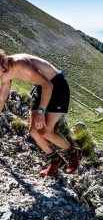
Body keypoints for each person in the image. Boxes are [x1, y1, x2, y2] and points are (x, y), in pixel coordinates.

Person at [0, 49, 81, 177]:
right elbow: (2, 98)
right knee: (33, 131)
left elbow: (48, 85)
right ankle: (55, 159)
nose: (4, 69)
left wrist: (41, 112)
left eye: (3, 63)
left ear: (5, 57)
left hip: (56, 85)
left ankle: (73, 152)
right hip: (40, 86)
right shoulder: (5, 74)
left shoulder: (20, 63)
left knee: (46, 132)